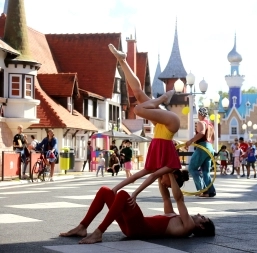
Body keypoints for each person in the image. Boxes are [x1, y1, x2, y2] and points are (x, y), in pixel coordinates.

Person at [108, 44, 186, 201]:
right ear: (173, 178)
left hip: (160, 127)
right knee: (138, 110)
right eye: (168, 184)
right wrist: (135, 194)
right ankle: (163, 98)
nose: (164, 185)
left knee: (138, 94)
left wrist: (115, 189)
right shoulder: (171, 166)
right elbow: (153, 178)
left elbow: (136, 176)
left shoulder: (156, 166)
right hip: (172, 124)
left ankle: (122, 60)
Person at [59, 171, 214, 244]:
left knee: (124, 195)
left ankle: (99, 232)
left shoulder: (187, 226)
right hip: (132, 226)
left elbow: (179, 198)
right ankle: (82, 227)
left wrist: (171, 172)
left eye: (203, 217)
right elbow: (166, 195)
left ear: (201, 226)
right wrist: (166, 171)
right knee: (105, 191)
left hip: (139, 228)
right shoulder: (175, 218)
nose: (200, 214)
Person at [186, 108, 216, 197]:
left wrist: (190, 141)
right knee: (206, 171)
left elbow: (201, 133)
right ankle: (211, 191)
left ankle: (203, 190)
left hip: (202, 147)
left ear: (200, 114)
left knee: (192, 168)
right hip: (210, 147)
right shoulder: (210, 124)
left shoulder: (201, 123)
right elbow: (213, 138)